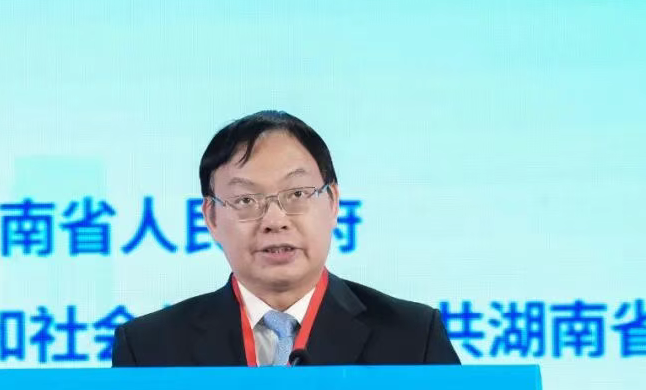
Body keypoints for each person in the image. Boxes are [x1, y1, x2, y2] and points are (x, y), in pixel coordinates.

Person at [112, 110, 460, 366]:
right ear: (212, 217)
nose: (274, 221)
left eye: (297, 194)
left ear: (333, 202)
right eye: (246, 200)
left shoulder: (413, 338)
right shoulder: (149, 349)